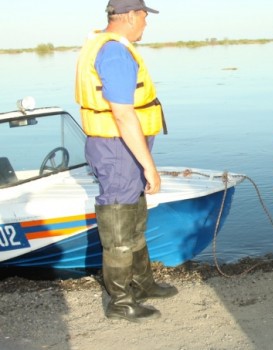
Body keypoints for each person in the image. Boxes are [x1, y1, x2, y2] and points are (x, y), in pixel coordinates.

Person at [75, 0, 178, 322]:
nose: (146, 25)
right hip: (117, 148)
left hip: (120, 147)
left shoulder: (108, 46)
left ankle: (142, 283)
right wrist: (149, 166)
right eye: (145, 18)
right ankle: (121, 301)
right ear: (132, 16)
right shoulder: (116, 53)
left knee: (134, 215)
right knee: (120, 224)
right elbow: (121, 112)